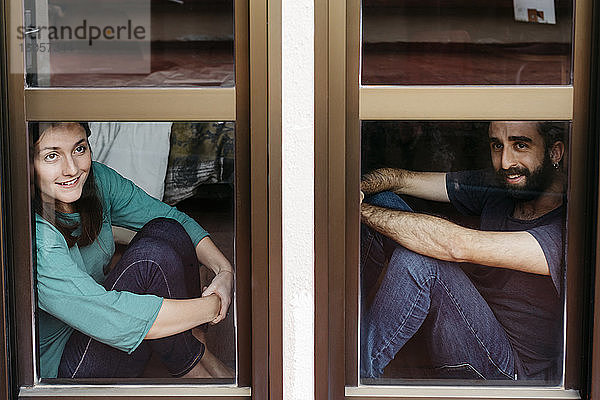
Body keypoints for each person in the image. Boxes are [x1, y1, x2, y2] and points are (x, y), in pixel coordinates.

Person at [360, 121, 566, 382]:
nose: (505, 162)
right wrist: (356, 193)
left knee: (421, 263)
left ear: (554, 152)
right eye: (497, 146)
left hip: (512, 372)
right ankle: (351, 326)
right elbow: (402, 180)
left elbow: (456, 245)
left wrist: (357, 210)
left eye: (520, 145)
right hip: (470, 322)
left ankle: (357, 374)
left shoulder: (564, 231)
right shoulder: (503, 186)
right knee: (381, 202)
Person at [33, 122, 234, 379]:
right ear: (29, 164)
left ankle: (199, 356)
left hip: (105, 330)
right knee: (150, 260)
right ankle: (198, 370)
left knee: (166, 229)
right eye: (52, 156)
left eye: (79, 149)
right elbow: (111, 318)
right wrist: (213, 305)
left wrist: (225, 271)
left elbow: (174, 219)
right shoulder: (37, 239)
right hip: (68, 373)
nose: (71, 169)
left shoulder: (96, 180)